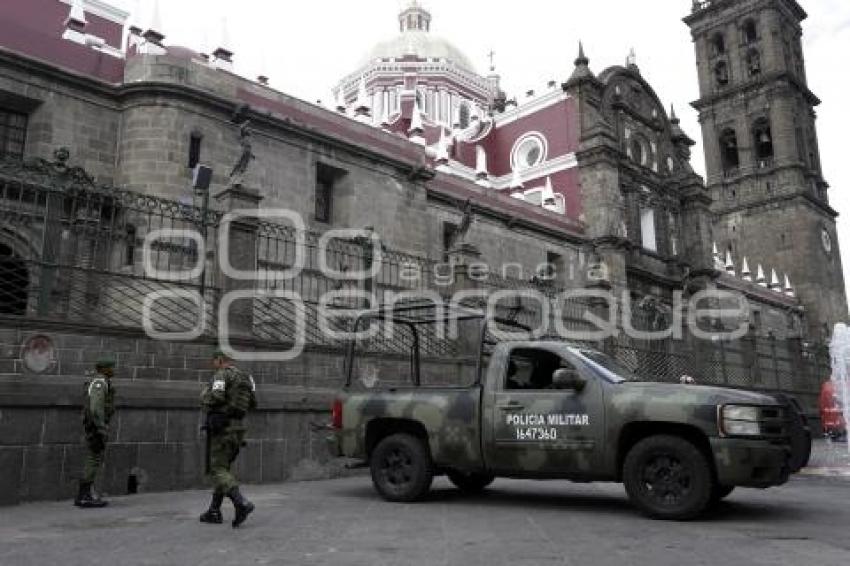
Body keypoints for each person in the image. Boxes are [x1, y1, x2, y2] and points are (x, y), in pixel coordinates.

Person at [200, 350, 257, 527]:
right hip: (238, 429)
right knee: (223, 467)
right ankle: (214, 511)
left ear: (219, 360)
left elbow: (216, 397)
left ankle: (241, 503)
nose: (212, 364)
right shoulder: (246, 377)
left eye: (214, 361)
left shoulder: (221, 375)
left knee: (217, 469)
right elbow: (253, 403)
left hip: (222, 427)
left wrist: (204, 396)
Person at [75, 358, 116, 508]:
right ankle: (84, 496)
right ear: (104, 369)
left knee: (94, 457)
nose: (113, 370)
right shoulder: (100, 383)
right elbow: (95, 408)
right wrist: (101, 427)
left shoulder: (102, 381)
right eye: (111, 367)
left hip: (95, 426)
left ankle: (85, 493)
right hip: (95, 427)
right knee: (94, 458)